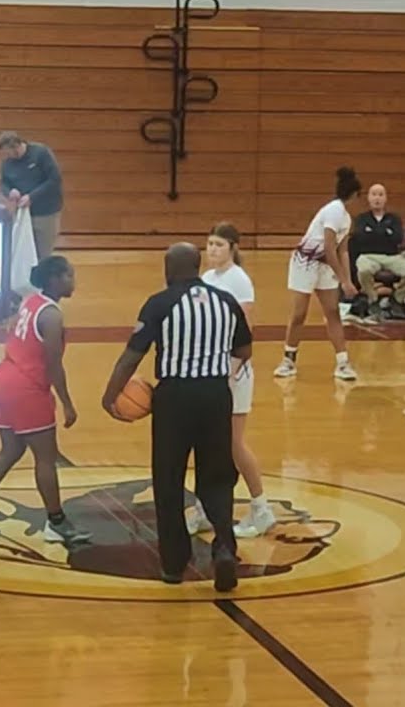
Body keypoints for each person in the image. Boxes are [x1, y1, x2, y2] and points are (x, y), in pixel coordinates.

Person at [101, 243, 251, 592]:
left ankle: (173, 564)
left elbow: (130, 357)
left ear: (168, 268)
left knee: (168, 481)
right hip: (216, 397)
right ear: (197, 266)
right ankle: (225, 547)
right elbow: (244, 349)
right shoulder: (225, 301)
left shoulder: (160, 303)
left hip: (174, 399)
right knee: (216, 478)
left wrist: (110, 396)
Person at [0, 256, 88, 544]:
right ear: (55, 279)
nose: (72, 281)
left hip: (4, 377)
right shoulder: (51, 316)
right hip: (25, 388)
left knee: (11, 450)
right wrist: (67, 402)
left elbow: (12, 332)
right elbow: (53, 364)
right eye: (69, 276)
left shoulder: (30, 301)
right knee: (46, 459)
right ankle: (56, 523)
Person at [188, 222, 277, 539]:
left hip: (232, 371)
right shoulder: (206, 279)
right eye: (209, 244)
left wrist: (230, 373)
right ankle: (203, 511)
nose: (212, 250)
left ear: (232, 248)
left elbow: (245, 333)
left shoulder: (239, 281)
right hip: (209, 369)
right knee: (208, 444)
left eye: (218, 245)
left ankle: (261, 508)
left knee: (234, 444)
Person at [273, 166, 361, 381]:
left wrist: (348, 281)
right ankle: (288, 359)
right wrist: (343, 280)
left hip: (324, 265)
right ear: (356, 195)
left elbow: (343, 250)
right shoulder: (333, 211)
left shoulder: (347, 219)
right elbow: (330, 248)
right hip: (306, 261)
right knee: (299, 314)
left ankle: (342, 363)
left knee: (332, 312)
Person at [351, 183, 405, 321]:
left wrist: (374, 232)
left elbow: (397, 238)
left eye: (381, 195)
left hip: (392, 256)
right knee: (363, 270)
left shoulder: (394, 219)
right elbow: (361, 238)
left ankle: (396, 300)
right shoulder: (361, 219)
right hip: (368, 256)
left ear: (385, 198)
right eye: (374, 194)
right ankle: (373, 300)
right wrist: (385, 233)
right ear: (368, 198)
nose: (377, 198)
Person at [0, 131, 64, 259]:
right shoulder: (7, 164)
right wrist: (10, 190)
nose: (8, 156)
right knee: (23, 254)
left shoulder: (40, 153)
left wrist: (31, 196)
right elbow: (3, 183)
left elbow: (54, 179)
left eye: (9, 152)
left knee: (43, 255)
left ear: (16, 147)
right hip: (23, 214)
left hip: (46, 213)